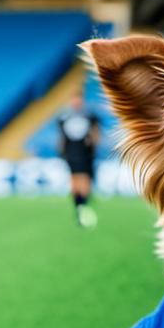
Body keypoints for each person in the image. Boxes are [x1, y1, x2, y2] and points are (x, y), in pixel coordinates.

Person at [58, 91, 100, 227]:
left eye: (78, 99)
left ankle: (84, 205)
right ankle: (79, 206)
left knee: (85, 179)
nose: (76, 102)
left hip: (86, 153)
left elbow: (96, 133)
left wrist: (94, 145)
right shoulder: (64, 117)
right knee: (75, 179)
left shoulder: (89, 116)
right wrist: (62, 151)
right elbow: (62, 137)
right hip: (71, 153)